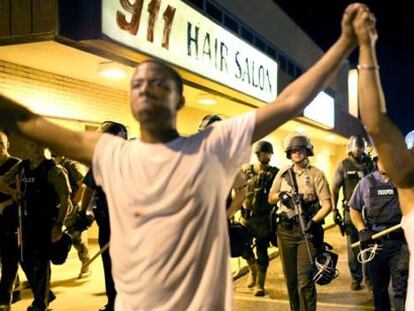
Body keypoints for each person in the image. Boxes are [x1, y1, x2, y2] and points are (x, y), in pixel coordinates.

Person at [0, 4, 367, 309]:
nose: (147, 88)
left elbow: (290, 101)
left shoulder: (211, 146)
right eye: (139, 83)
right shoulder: (112, 152)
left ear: (179, 100)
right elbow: (29, 122)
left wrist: (346, 42)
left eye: (160, 83)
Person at [352, 5, 414, 310]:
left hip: (398, 247)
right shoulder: (408, 189)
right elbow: (376, 124)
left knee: (398, 290)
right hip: (377, 242)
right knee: (381, 294)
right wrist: (366, 47)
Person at [0, 141, 71, 311]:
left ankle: (40, 304)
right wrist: (12, 192)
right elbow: (1, 182)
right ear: (27, 148)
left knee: (40, 262)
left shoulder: (54, 169)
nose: (37, 148)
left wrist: (59, 225)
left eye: (40, 145)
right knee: (25, 261)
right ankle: (45, 295)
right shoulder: (22, 166)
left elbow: (64, 198)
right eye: (32, 146)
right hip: (25, 222)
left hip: (46, 224)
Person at [268, 133, 332, 311]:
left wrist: (313, 221)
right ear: (289, 153)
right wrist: (281, 195)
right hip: (285, 231)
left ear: (307, 151)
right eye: (293, 150)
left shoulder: (316, 174)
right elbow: (270, 198)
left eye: (300, 149)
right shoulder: (283, 173)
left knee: (305, 281)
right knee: (291, 281)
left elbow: (327, 205)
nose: (297, 153)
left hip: (306, 231)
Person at [349, 153, 408, 310]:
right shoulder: (365, 183)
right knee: (379, 290)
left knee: (401, 290)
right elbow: (354, 208)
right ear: (375, 161)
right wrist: (362, 230)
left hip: (400, 244)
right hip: (375, 244)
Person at [80, 121, 127, 311]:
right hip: (106, 225)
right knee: (110, 266)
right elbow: (89, 189)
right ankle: (114, 303)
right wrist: (82, 212)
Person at [331, 135, 374, 290]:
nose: (358, 149)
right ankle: (356, 278)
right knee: (353, 247)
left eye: (360, 147)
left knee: (369, 245)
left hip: (369, 212)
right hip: (350, 211)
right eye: (356, 146)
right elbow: (335, 188)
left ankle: (370, 279)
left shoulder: (370, 165)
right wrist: (334, 210)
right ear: (350, 148)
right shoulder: (343, 166)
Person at [238, 141, 278, 296]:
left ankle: (260, 284)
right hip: (246, 219)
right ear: (257, 154)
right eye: (264, 153)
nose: (267, 156)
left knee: (262, 252)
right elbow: (236, 191)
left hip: (263, 221)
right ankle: (252, 269)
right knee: (241, 248)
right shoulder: (245, 171)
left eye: (269, 153)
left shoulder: (274, 173)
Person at [52, 153, 90, 278]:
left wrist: (74, 202)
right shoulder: (51, 165)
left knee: (75, 238)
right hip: (56, 207)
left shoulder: (70, 164)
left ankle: (86, 262)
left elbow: (83, 185)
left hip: (71, 208)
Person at [0, 131, 20, 310]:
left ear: (8, 144)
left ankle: (4, 301)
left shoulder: (17, 165)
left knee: (9, 262)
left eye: (0, 143)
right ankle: (15, 290)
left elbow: (25, 194)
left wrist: (8, 202)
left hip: (12, 222)